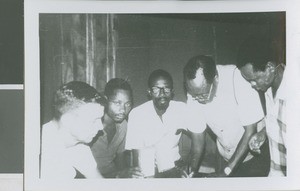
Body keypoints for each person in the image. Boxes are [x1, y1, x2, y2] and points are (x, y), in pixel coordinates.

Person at [184, 55, 270, 177]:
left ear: (216, 78)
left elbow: (250, 131)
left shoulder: (238, 78)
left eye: (203, 95)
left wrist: (226, 172)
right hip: (226, 156)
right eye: (194, 95)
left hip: (256, 154)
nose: (197, 99)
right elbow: (198, 141)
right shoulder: (195, 91)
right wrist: (191, 171)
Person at [236, 37, 286, 176]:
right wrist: (263, 133)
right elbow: (279, 121)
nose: (252, 85)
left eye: (254, 79)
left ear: (270, 67)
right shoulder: (268, 89)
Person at [125, 69, 188, 178]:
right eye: (156, 89)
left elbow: (197, 135)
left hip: (176, 167)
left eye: (166, 89)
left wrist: (188, 164)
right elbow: (136, 156)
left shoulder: (181, 109)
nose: (162, 94)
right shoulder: (137, 114)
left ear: (172, 91)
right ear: (149, 92)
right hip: (149, 170)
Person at [40, 81, 105, 179]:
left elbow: (99, 182)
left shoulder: (78, 146)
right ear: (67, 120)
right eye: (93, 121)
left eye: (101, 119)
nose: (101, 127)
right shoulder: (40, 149)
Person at [90, 78, 143, 178]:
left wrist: (126, 175)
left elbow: (120, 162)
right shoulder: (91, 126)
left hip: (112, 177)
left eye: (127, 104)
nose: (123, 110)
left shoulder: (123, 125)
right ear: (105, 100)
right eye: (117, 103)